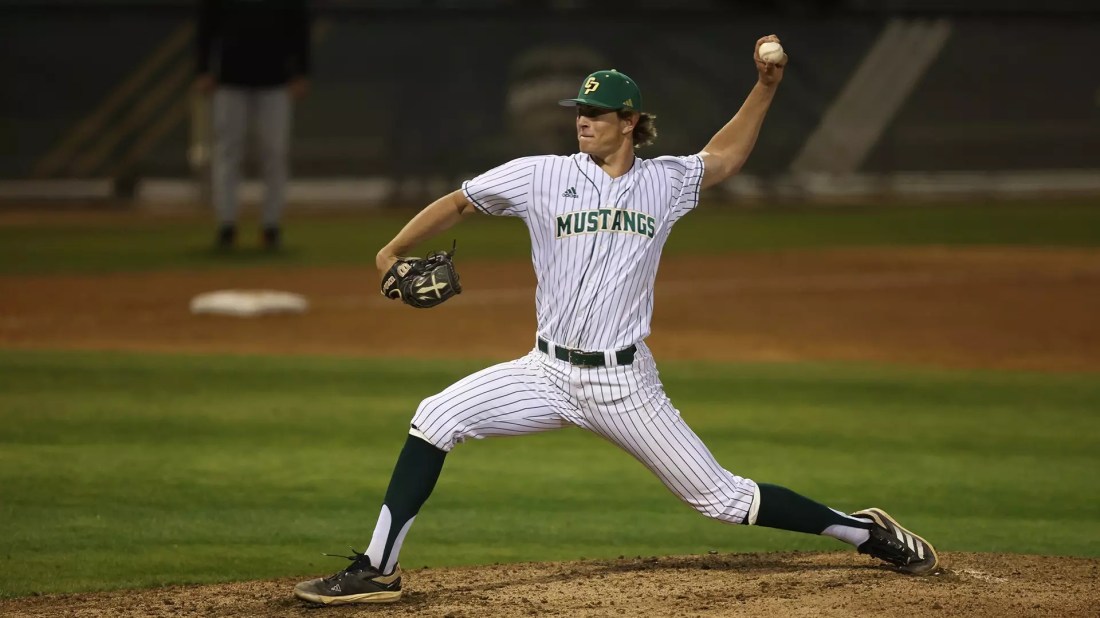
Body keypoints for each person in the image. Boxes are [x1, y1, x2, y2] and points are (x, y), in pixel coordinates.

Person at [293, 35, 939, 606]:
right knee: (435, 417)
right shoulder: (539, 176)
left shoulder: (663, 183)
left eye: (596, 115)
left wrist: (766, 86)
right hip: (544, 372)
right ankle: (378, 568)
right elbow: (460, 202)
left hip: (624, 387)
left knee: (724, 501)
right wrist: (391, 250)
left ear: (629, 122)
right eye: (579, 112)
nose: (583, 122)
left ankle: (863, 532)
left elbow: (727, 157)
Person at [195, 0, 311, 250]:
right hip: (230, 81)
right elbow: (207, 26)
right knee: (228, 153)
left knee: (274, 153)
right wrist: (203, 69)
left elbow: (299, 26)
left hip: (275, 81)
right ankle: (226, 225)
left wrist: (301, 71)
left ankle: (271, 227)